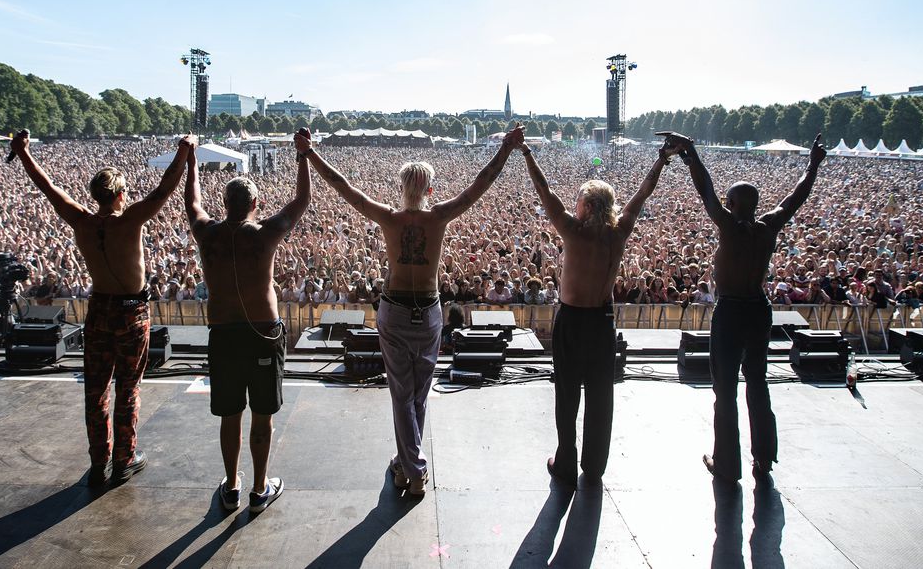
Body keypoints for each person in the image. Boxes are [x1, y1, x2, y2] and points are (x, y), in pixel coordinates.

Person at [302, 124, 526, 497]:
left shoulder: (388, 217)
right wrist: (505, 148)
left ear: (401, 187)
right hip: (429, 311)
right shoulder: (439, 216)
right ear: (430, 190)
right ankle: (409, 465)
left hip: (394, 311)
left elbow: (344, 187)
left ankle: (410, 468)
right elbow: (480, 184)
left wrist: (311, 154)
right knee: (417, 394)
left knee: (403, 395)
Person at [11, 131, 197, 488]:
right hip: (131, 313)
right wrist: (184, 150)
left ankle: (99, 462)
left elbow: (47, 185)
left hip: (99, 310)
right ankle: (124, 460)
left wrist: (22, 152)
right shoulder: (129, 221)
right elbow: (164, 189)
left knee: (95, 391)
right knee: (128, 389)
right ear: (122, 194)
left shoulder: (80, 219)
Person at [665, 131, 826, 483]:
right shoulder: (769, 226)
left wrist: (689, 150)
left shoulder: (729, 227)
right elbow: (795, 197)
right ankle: (764, 458)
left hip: (732, 311)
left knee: (725, 388)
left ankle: (726, 463)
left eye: (728, 200)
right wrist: (812, 166)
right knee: (757, 383)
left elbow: (705, 190)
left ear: (734, 204)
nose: (723, 202)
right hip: (758, 309)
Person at [520, 137, 674, 485]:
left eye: (577, 200)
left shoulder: (573, 232)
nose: (573, 205)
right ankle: (594, 465)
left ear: (587, 205)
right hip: (602, 321)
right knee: (601, 394)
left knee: (567, 393)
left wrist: (527, 153)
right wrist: (661, 160)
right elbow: (642, 195)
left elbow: (544, 191)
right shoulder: (618, 233)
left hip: (572, 320)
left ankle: (565, 463)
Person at [186, 130, 311, 515]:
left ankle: (231, 485)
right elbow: (302, 201)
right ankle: (259, 488)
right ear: (256, 203)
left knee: (229, 414)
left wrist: (190, 161)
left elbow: (191, 202)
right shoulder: (265, 234)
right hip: (262, 333)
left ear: (224, 204)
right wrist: (303, 156)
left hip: (223, 334)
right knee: (262, 414)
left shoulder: (207, 234)